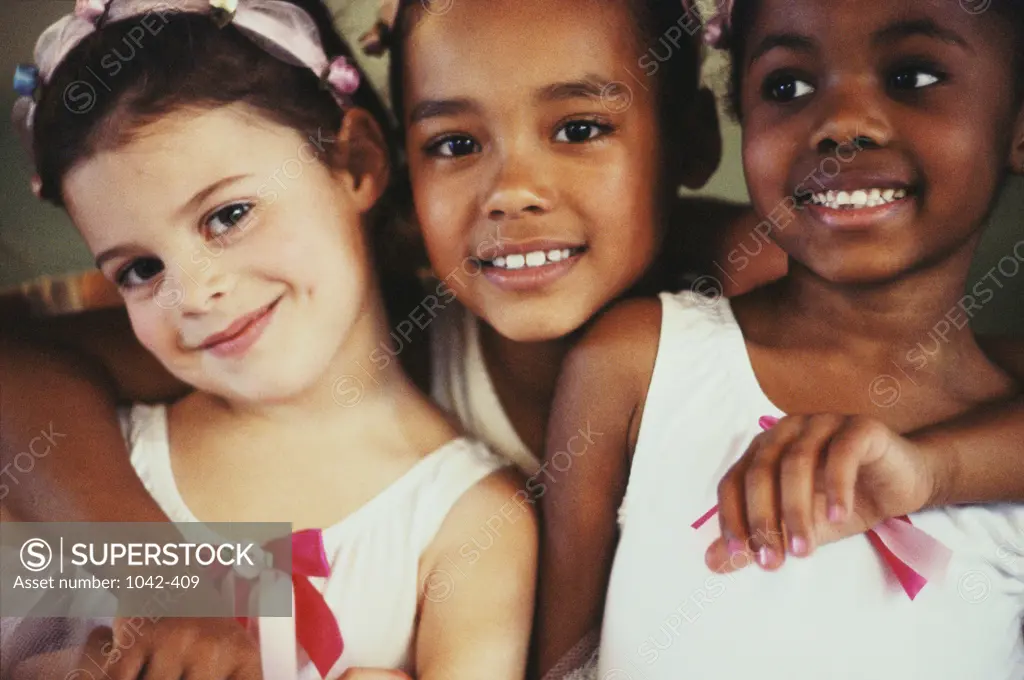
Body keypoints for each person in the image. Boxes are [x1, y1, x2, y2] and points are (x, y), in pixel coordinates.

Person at [2, 1, 535, 678]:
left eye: (228, 215)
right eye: (140, 269)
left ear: (357, 164)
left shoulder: (471, 526)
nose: (192, 294)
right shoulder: (101, 453)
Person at [536, 0, 1024, 678]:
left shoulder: (1004, 426)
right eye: (787, 86)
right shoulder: (641, 360)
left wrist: (928, 474)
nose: (842, 125)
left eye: (912, 76)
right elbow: (559, 663)